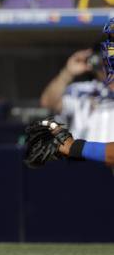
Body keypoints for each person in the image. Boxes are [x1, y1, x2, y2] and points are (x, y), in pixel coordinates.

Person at [25, 18, 114, 167]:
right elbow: (48, 102)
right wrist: (67, 73)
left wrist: (74, 147)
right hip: (81, 169)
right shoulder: (82, 90)